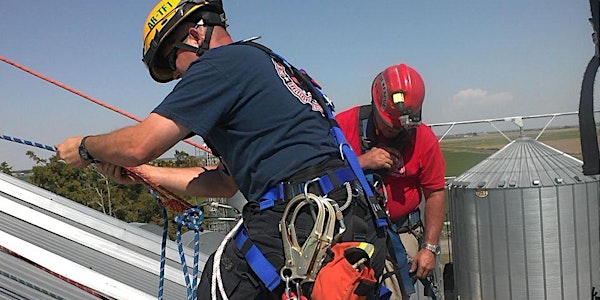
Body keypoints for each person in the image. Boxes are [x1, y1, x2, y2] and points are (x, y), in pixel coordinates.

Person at [55, 0, 387, 299]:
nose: (176, 74)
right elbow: (224, 183)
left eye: (172, 58)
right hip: (349, 213)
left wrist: (85, 148)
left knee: (218, 283)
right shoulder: (263, 65)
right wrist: (146, 174)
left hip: (300, 218)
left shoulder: (218, 65)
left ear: (196, 34)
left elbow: (138, 144)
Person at [335, 63, 446, 298]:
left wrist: (429, 248)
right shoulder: (344, 126)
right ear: (375, 105)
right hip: (351, 236)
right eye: (388, 127)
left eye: (400, 128)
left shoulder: (423, 139)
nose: (394, 133)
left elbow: (435, 192)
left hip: (399, 232)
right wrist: (362, 162)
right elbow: (321, 172)